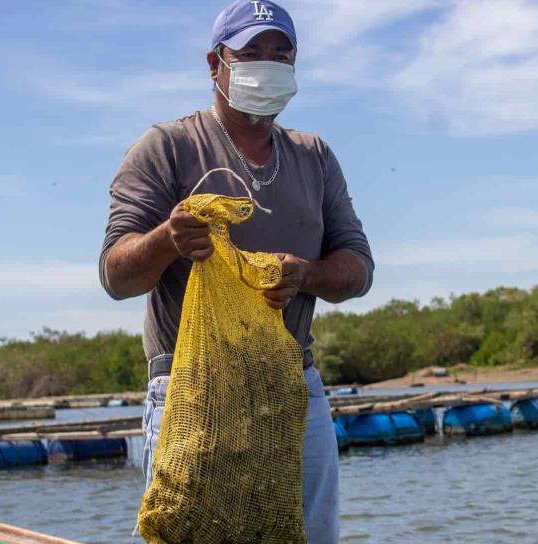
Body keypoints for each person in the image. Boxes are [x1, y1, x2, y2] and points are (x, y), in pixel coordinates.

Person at [98, 1, 374, 542]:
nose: (267, 64)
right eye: (251, 53)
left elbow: (358, 270)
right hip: (190, 389)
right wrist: (166, 239)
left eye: (280, 54)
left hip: (294, 387)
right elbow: (115, 275)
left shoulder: (313, 155)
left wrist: (305, 274)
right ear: (215, 63)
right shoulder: (167, 148)